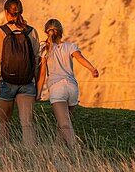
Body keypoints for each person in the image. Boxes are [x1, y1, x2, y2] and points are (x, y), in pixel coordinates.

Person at [37, 18, 99, 148]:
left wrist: (38, 93)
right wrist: (92, 69)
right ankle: (58, 153)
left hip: (57, 88)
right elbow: (80, 58)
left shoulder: (45, 48)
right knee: (63, 123)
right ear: (61, 31)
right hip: (72, 88)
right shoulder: (70, 46)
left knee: (65, 124)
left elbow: (42, 74)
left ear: (46, 32)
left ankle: (76, 150)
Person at [0, 0, 41, 145]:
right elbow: (37, 60)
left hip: (7, 82)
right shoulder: (32, 32)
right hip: (27, 83)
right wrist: (37, 85)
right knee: (27, 124)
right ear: (21, 12)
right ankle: (32, 157)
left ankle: (2, 157)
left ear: (6, 12)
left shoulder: (2, 31)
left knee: (4, 123)